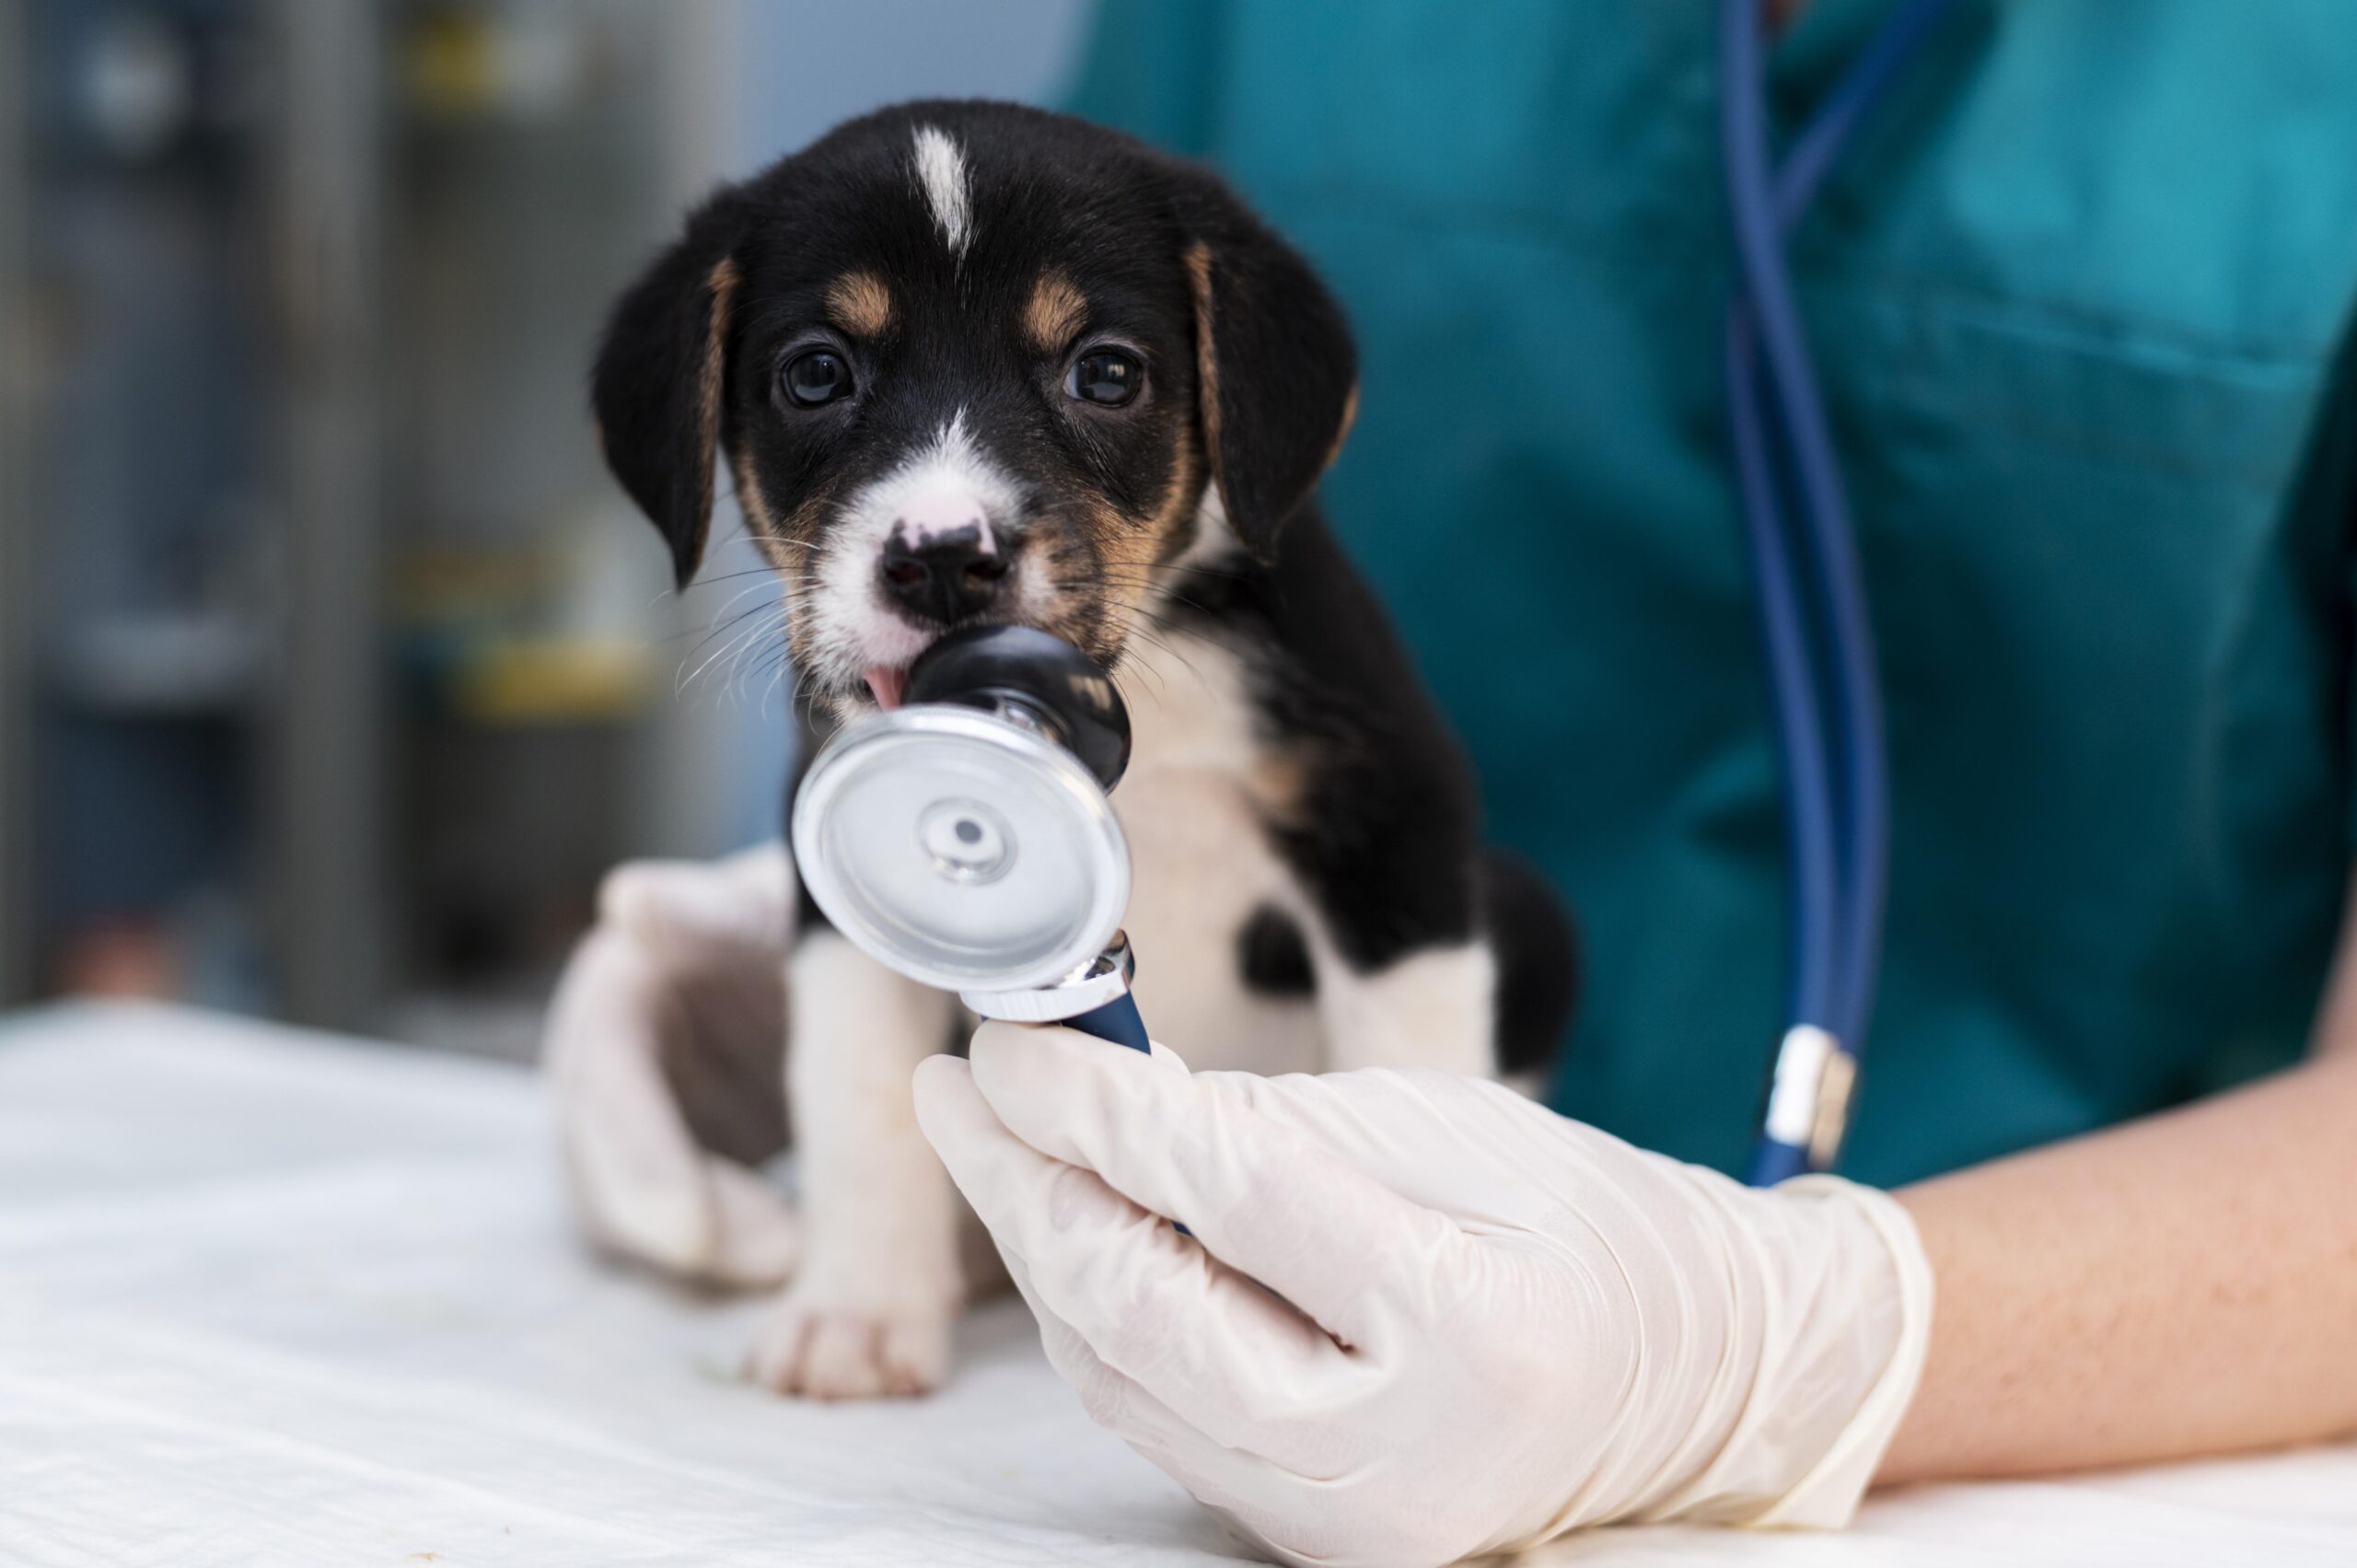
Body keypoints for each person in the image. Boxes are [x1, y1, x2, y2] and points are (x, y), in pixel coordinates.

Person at [552, 3, 2357, 1563]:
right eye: (815, 378)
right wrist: (860, 945)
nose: (947, 513)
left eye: (1095, 375)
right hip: (1053, 1407)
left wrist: (1765, 1342)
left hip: (2135, 1415)